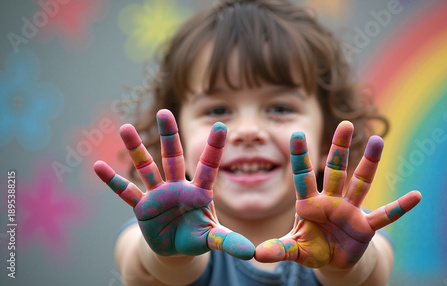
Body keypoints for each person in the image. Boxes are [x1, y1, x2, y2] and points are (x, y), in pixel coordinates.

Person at [94, 0, 422, 285]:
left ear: (325, 140)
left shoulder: (353, 232)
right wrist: (170, 256)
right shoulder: (155, 231)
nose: (248, 130)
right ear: (177, 137)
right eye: (218, 110)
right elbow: (146, 271)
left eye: (279, 108)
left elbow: (365, 274)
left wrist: (343, 262)